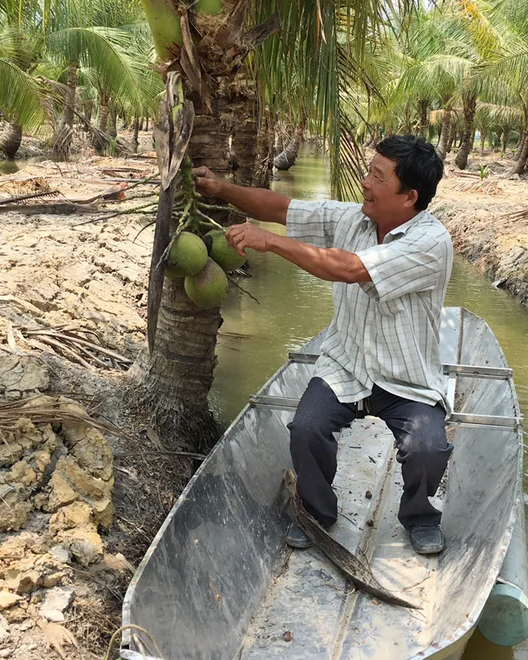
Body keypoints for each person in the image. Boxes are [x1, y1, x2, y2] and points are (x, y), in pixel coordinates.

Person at [193, 135, 453, 555]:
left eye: (377, 176)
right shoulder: (353, 218)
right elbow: (281, 208)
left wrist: (271, 242)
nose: (365, 183)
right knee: (306, 428)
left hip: (405, 374)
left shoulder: (430, 243)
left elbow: (348, 268)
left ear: (409, 196)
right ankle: (317, 512)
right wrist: (221, 188)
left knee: (428, 446)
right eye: (369, 171)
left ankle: (420, 516)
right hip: (346, 362)